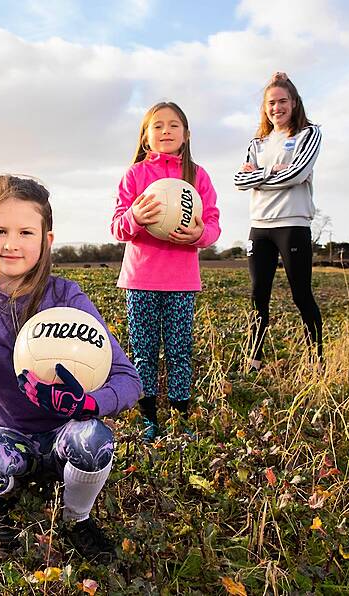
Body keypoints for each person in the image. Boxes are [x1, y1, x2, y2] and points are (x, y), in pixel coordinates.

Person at [0, 175, 141, 563]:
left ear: (46, 240)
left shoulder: (67, 297)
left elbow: (129, 380)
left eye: (26, 231)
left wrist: (88, 404)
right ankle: (8, 500)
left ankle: (76, 518)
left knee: (93, 440)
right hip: (9, 434)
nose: (11, 243)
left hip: (66, 433)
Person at [111, 101, 221, 442]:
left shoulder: (197, 175)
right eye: (157, 126)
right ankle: (148, 417)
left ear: (186, 135)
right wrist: (136, 218)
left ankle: (179, 416)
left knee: (178, 349)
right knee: (143, 350)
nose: (166, 131)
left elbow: (214, 223)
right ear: (146, 137)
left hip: (181, 280)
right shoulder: (135, 175)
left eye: (173, 125)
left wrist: (199, 235)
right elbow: (117, 227)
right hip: (141, 279)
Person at [233, 72, 323, 372]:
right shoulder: (257, 142)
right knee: (258, 294)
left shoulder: (308, 135)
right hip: (260, 227)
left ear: (294, 103)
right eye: (271, 103)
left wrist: (258, 176)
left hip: (292, 224)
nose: (277, 108)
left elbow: (296, 174)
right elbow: (238, 180)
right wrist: (271, 173)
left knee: (301, 294)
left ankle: (317, 358)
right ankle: (254, 359)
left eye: (283, 101)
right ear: (265, 107)